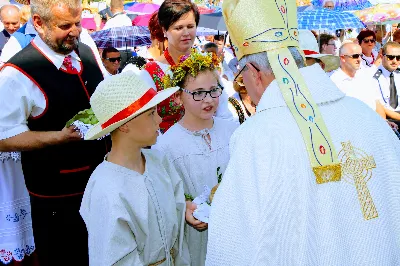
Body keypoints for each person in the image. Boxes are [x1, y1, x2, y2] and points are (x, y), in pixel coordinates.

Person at [206, 1, 400, 265]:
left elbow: (233, 244)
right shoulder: (368, 118)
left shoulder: (256, 137)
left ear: (253, 72)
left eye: (242, 76)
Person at [0, 0, 109, 264]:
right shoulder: (16, 73)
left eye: (78, 23)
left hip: (102, 184)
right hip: (58, 199)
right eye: (65, 26)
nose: (75, 31)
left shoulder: (86, 50)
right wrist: (59, 137)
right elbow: (3, 139)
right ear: (38, 23)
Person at [80, 72, 190, 266]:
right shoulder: (106, 187)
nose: (159, 119)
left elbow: (175, 210)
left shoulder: (158, 161)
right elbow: (113, 258)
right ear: (124, 125)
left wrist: (186, 210)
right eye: (150, 114)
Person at [154, 50, 238, 266]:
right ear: (178, 97)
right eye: (198, 93)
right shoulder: (167, 145)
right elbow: (164, 196)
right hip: (195, 240)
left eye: (213, 91)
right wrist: (183, 207)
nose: (208, 99)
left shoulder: (233, 131)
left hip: (235, 229)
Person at [372, 41, 400, 124]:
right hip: (387, 119)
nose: (395, 61)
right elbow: (380, 107)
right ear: (381, 56)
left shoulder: (398, 74)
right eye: (390, 57)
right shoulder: (373, 77)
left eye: (398, 58)